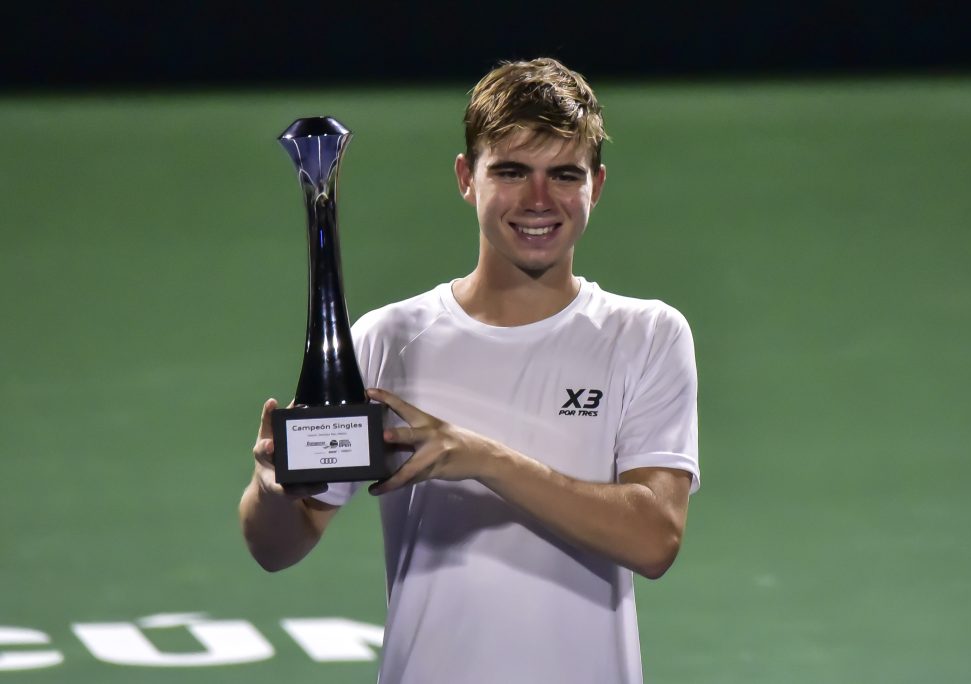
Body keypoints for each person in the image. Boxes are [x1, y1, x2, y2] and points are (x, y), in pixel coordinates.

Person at [239, 57, 700, 684]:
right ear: (467, 177)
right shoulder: (388, 339)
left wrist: (481, 457)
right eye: (511, 171)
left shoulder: (645, 335)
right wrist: (272, 485)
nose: (539, 200)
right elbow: (277, 547)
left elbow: (654, 540)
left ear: (597, 183)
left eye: (563, 174)